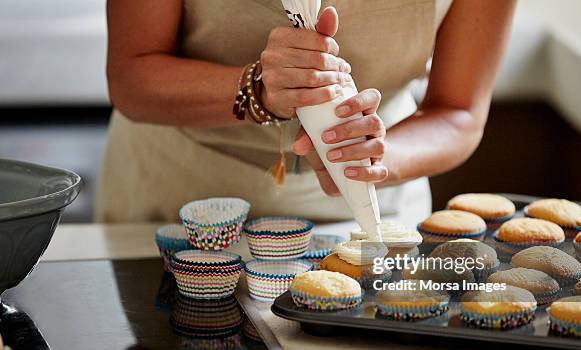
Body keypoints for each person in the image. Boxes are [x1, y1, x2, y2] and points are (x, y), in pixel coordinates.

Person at [96, 0, 517, 226]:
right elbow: (131, 74)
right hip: (181, 201)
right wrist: (256, 89)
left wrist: (372, 159)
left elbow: (458, 111)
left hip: (374, 212)